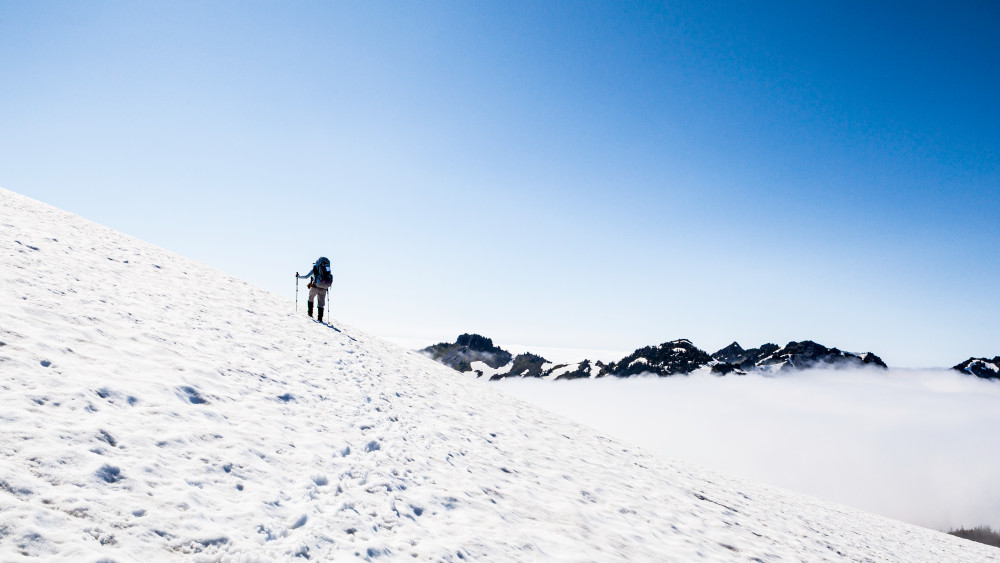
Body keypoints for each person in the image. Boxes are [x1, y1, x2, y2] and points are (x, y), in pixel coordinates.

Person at [296, 257, 333, 322]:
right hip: (324, 288)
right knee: (321, 304)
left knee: (311, 298)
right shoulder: (327, 270)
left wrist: (298, 276)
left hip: (315, 286)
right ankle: (320, 318)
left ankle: (310, 314)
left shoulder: (315, 268)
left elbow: (306, 277)